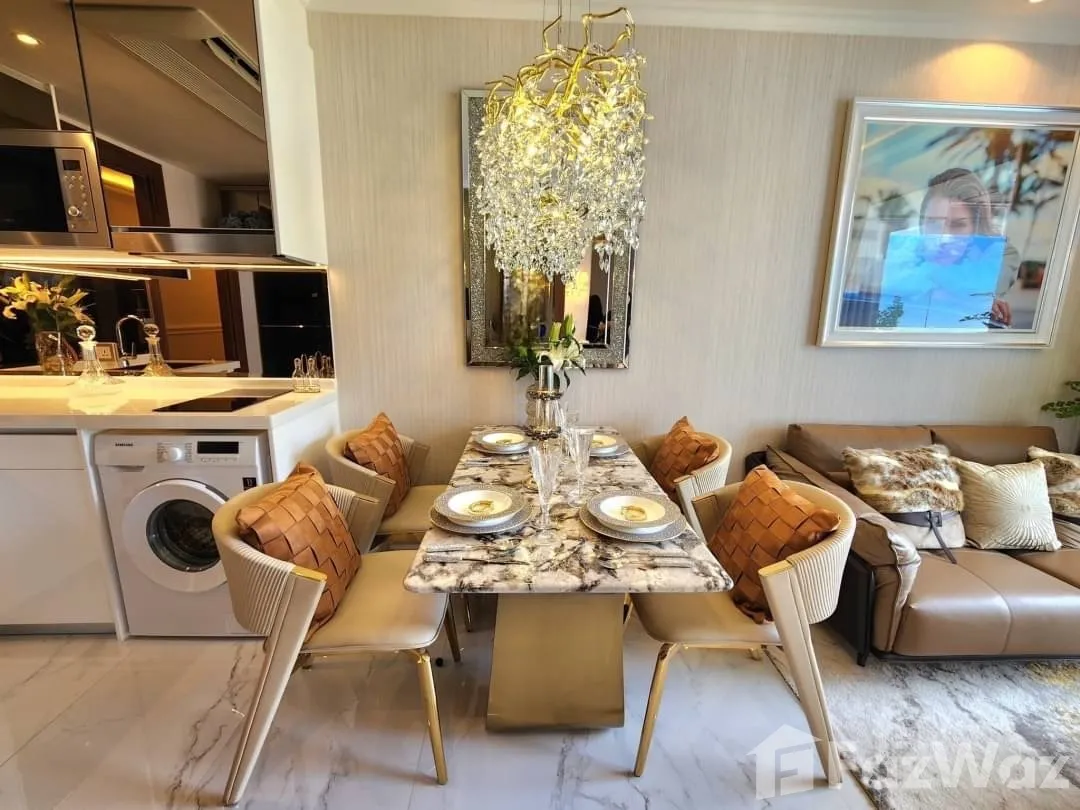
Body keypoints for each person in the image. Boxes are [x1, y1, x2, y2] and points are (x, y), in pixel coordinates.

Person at [877, 168, 1019, 329]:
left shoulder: (1000, 256)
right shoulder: (904, 258)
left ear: (976, 229)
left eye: (957, 225)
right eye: (933, 223)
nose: (943, 238)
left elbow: (988, 280)